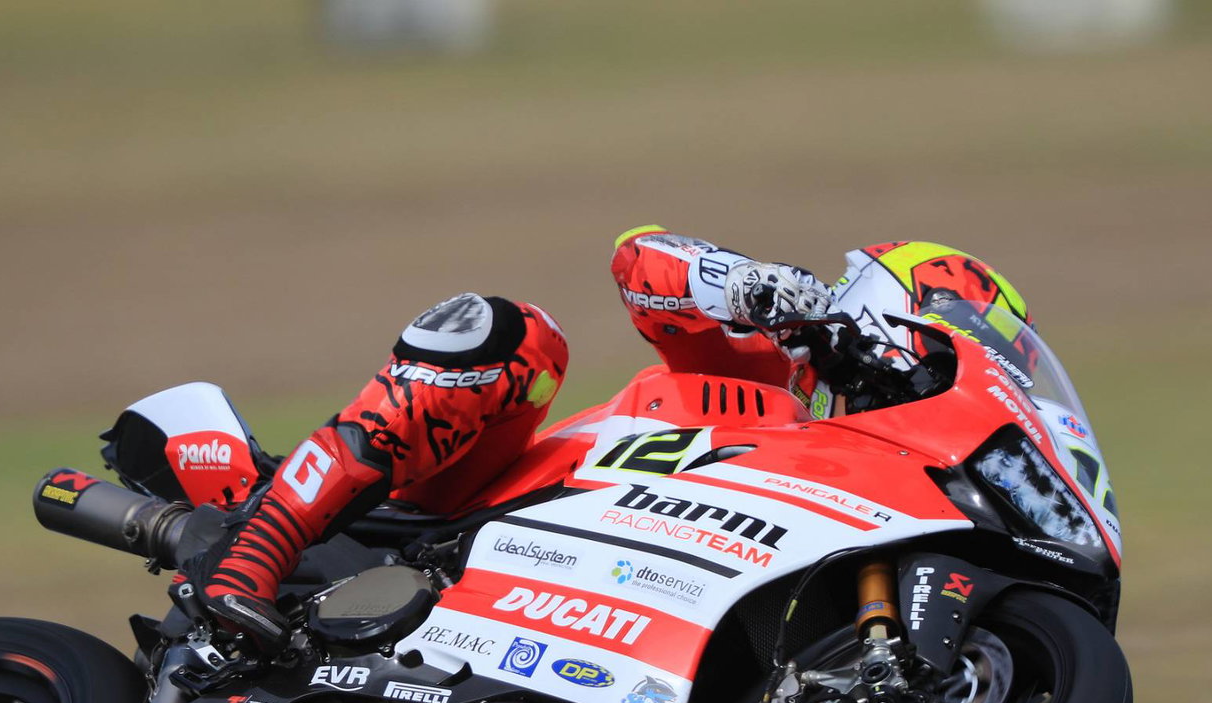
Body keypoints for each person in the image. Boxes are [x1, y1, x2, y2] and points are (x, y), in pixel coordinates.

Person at [179, 226, 1028, 648]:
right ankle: (259, 548)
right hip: (470, 509)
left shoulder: (885, 487)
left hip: (594, 623)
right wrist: (750, 286)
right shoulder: (771, 369)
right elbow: (638, 260)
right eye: (963, 330)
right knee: (515, 334)